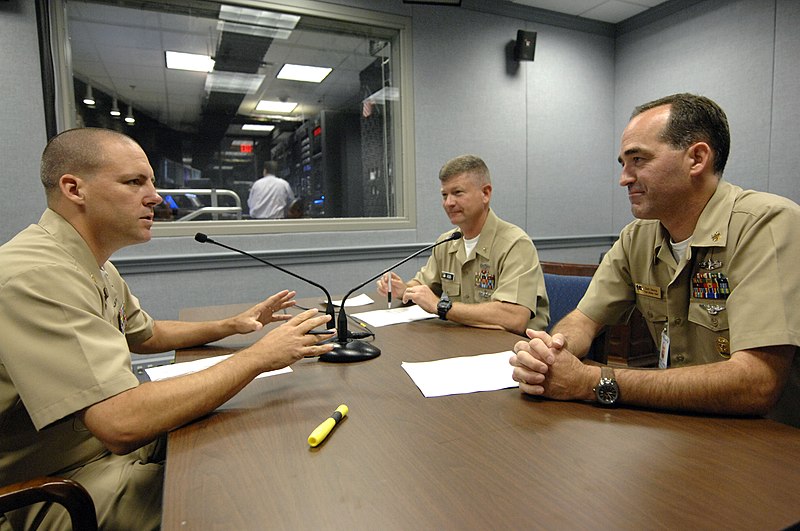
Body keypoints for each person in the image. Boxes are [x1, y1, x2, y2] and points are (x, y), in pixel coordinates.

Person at [0, 128, 334, 530]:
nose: (155, 197)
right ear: (74, 189)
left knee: (247, 432)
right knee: (244, 494)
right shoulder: (36, 275)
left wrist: (236, 324)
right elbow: (119, 423)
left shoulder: (93, 263)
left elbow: (147, 334)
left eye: (152, 182)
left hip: (96, 452)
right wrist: (259, 356)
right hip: (56, 485)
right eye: (134, 182)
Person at [510, 93, 800, 426]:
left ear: (697, 158)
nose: (624, 178)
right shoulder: (638, 237)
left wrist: (593, 382)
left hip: (770, 445)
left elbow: (757, 382)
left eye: (638, 160)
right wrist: (553, 353)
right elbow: (583, 319)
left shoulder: (768, 224)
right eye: (623, 163)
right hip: (683, 426)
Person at [377, 154, 549, 335]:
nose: (448, 203)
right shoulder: (447, 242)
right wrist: (404, 289)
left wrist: (441, 307)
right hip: (464, 342)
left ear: (486, 193)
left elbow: (514, 318)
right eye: (444, 195)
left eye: (457, 193)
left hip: (513, 351)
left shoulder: (515, 244)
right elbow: (424, 284)